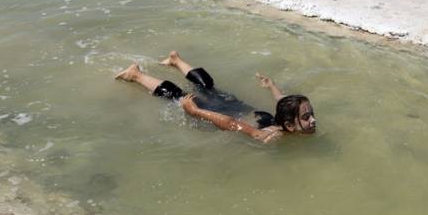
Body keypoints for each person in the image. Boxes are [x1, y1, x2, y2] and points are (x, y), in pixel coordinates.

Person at [115, 51, 317, 143]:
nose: (313, 120)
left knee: (207, 86)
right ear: (290, 125)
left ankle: (176, 60)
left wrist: (272, 86)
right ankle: (135, 74)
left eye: (310, 114)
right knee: (179, 96)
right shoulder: (270, 135)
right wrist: (196, 111)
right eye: (307, 117)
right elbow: (231, 124)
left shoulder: (284, 116)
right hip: (223, 112)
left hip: (235, 105)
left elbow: (282, 101)